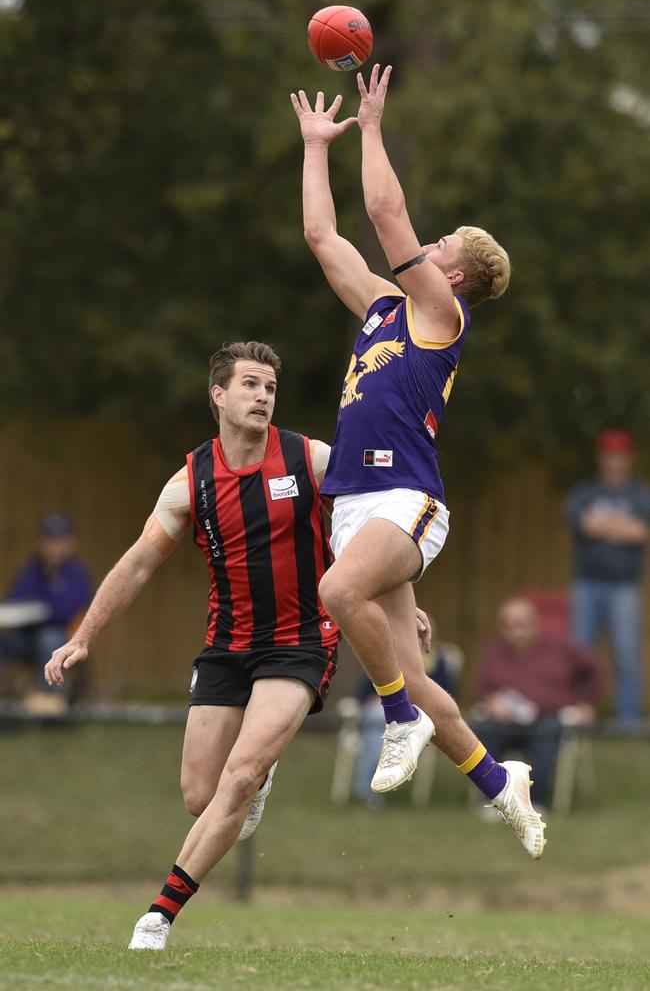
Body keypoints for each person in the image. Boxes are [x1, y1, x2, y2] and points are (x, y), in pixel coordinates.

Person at [291, 67, 546, 859]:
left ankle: (396, 718)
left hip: (407, 499)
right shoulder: (382, 309)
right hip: (356, 505)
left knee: (340, 593)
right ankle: (505, 788)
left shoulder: (442, 311)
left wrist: (370, 126)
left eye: (440, 247)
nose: (425, 246)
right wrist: (312, 148)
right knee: (420, 675)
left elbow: (383, 209)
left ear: (456, 273)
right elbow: (323, 238)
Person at [44, 341, 344, 951]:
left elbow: (368, 523)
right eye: (251, 385)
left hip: (301, 642)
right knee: (200, 798)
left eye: (270, 388)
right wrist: (84, 637)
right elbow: (135, 566)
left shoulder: (308, 459)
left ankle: (157, 916)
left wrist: (402, 601)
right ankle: (257, 775)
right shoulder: (190, 482)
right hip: (226, 646)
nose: (263, 396)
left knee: (237, 778)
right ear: (219, 395)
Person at [472, 597, 602, 809]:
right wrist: (491, 702)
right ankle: (493, 799)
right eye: (509, 626)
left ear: (535, 624)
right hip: (506, 723)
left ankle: (535, 801)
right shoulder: (493, 653)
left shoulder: (561, 648)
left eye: (522, 625)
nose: (516, 632)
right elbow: (482, 690)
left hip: (548, 719)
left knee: (549, 733)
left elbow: (594, 670)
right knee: (484, 729)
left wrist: (586, 704)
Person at [565, 429, 650, 725]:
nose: (614, 461)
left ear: (628, 459)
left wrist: (601, 525)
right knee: (579, 655)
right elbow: (581, 524)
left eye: (620, 456)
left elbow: (642, 533)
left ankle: (627, 723)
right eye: (609, 455)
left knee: (627, 656)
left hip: (625, 588)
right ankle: (576, 717)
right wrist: (623, 527)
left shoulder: (640, 494)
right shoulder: (585, 492)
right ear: (601, 459)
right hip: (586, 585)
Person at [353, 614, 463, 807]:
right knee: (377, 727)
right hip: (382, 717)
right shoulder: (385, 660)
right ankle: (371, 792)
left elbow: (448, 697)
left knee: (376, 731)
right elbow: (363, 694)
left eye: (422, 634)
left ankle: (369, 792)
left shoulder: (439, 664)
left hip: (419, 719)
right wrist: (375, 700)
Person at [0, 512, 93, 708]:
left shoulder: (77, 573)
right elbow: (14, 599)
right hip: (26, 637)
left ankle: (48, 701)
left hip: (63, 638)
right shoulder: (32, 568)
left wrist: (41, 608)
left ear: (70, 543)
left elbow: (68, 610)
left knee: (49, 639)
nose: (53, 546)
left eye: (58, 540)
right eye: (49, 540)